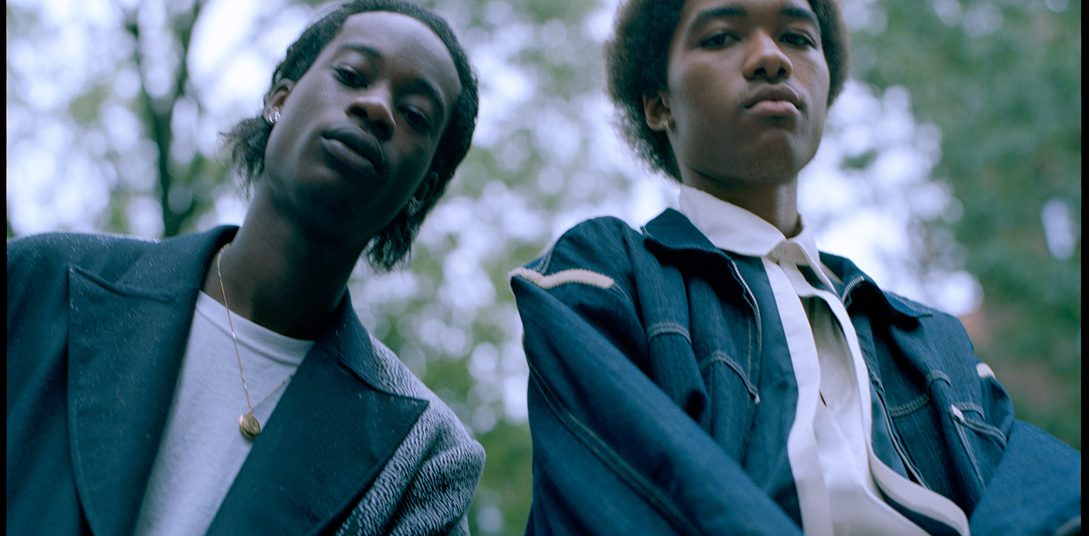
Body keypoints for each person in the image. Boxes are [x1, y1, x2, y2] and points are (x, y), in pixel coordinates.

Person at [508, 0, 1081, 534]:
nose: (770, 57)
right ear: (659, 104)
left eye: (798, 37)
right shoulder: (602, 280)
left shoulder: (934, 340)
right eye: (722, 37)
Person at [7, 1, 484, 534]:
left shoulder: (424, 457)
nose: (376, 108)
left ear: (422, 189)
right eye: (351, 75)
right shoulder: (38, 285)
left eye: (414, 115)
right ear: (280, 100)